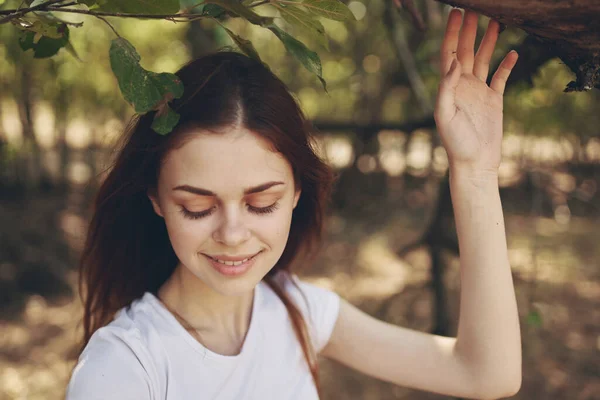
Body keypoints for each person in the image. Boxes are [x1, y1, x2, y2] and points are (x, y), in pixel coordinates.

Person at [66, 8, 521, 400]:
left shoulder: (297, 310)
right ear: (157, 199)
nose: (231, 234)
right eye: (197, 207)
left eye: (262, 203)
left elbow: (486, 374)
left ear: (297, 193)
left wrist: (475, 172)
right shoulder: (125, 366)